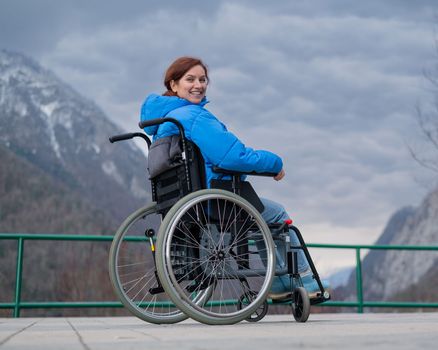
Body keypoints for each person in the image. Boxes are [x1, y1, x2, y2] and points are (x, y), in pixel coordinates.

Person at [140, 56, 329, 300]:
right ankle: (305, 283)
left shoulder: (164, 123)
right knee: (277, 215)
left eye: (202, 79)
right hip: (215, 200)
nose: (198, 85)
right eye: (190, 79)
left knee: (263, 215)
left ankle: (280, 285)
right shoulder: (193, 116)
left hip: (183, 202)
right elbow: (232, 157)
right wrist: (275, 164)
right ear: (173, 85)